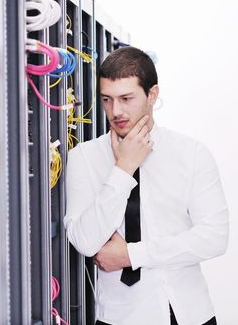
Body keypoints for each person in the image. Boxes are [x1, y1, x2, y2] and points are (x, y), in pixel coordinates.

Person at [64, 46, 229, 325]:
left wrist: (130, 255)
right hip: (119, 317)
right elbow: (84, 240)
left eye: (126, 98)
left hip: (188, 314)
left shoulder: (191, 154)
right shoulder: (84, 157)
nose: (116, 111)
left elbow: (214, 238)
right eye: (107, 99)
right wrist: (123, 169)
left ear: (152, 95)